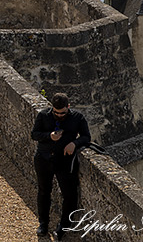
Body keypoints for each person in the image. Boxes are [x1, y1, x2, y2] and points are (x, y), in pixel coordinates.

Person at [31, 92, 92, 239]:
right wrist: (49, 136)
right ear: (52, 108)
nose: (59, 115)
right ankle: (43, 224)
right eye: (56, 112)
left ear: (68, 107)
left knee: (69, 195)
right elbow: (34, 134)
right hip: (43, 159)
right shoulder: (44, 116)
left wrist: (74, 143)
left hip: (64, 161)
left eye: (62, 113)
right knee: (44, 192)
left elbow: (86, 137)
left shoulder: (77, 118)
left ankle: (62, 227)